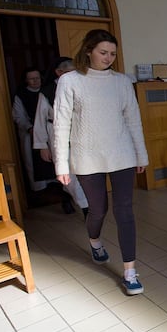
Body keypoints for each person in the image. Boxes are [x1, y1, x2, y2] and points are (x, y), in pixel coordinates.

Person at [52, 29, 149, 295]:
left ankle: (130, 272)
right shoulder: (70, 81)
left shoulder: (122, 82)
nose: (108, 58)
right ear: (88, 51)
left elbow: (133, 120)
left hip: (122, 154)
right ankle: (95, 242)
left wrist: (141, 155)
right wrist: (61, 165)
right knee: (98, 209)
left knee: (125, 211)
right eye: (103, 52)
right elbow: (61, 125)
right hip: (87, 156)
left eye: (113, 54)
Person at [33, 57, 89, 216]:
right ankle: (87, 209)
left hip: (81, 134)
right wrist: (42, 145)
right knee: (68, 173)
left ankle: (66, 195)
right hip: (58, 133)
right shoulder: (48, 92)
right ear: (59, 72)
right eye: (70, 72)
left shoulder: (82, 86)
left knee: (84, 171)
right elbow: (40, 120)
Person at [12, 67, 53, 194]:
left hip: (50, 132)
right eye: (31, 79)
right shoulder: (21, 95)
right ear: (26, 80)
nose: (35, 81)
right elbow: (18, 116)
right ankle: (41, 192)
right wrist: (29, 128)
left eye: (37, 78)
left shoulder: (48, 91)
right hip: (30, 133)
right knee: (34, 164)